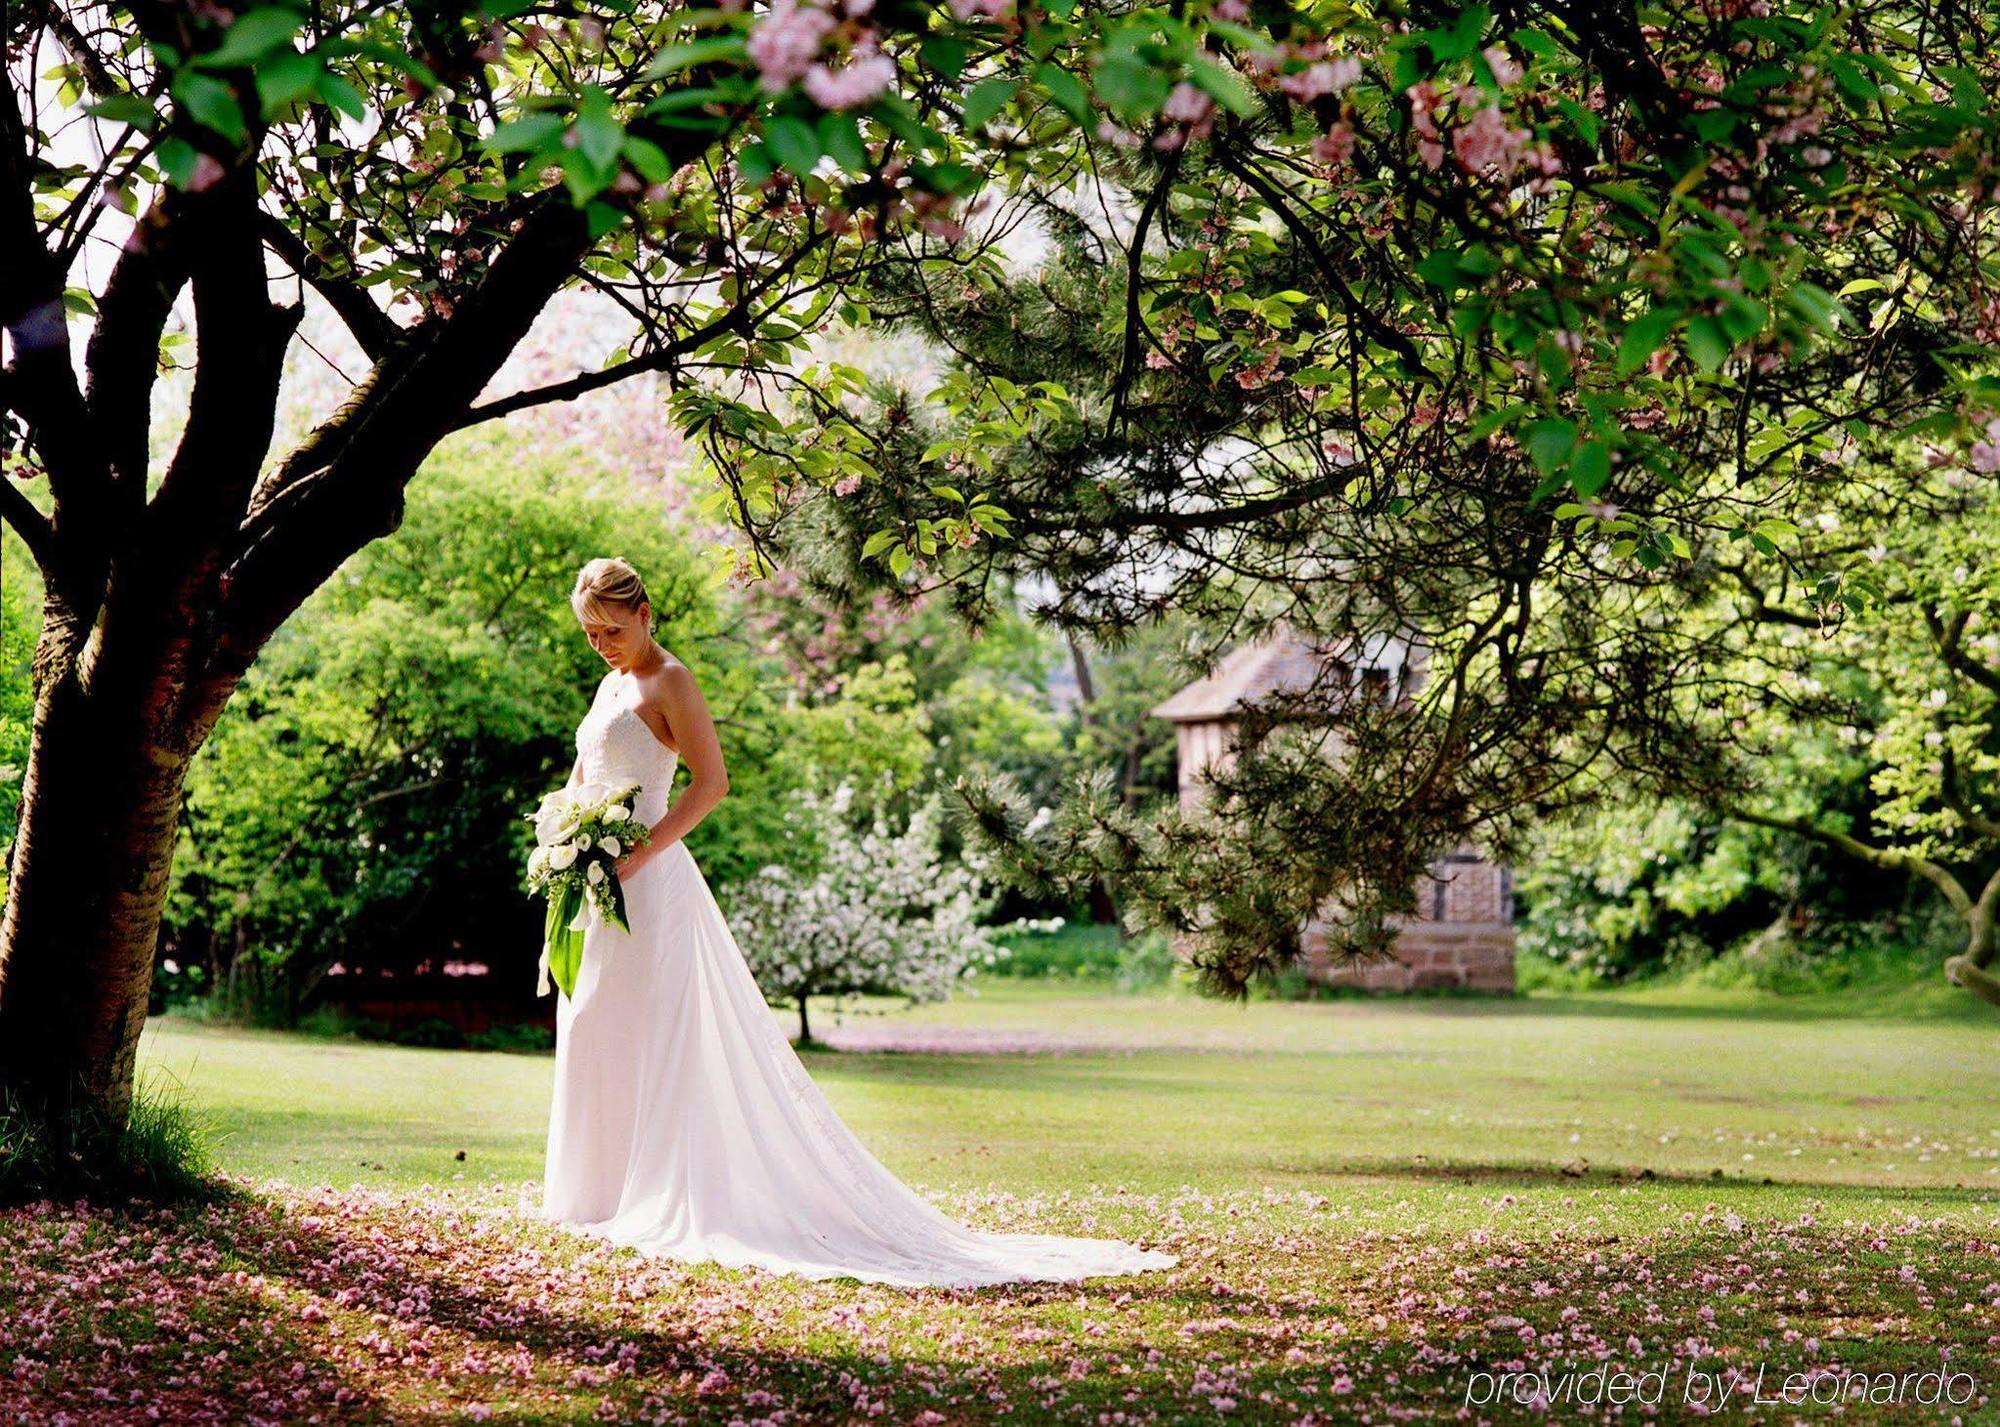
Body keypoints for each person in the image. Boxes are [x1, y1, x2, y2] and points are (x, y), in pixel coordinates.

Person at [538, 556, 1177, 1288]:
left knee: (658, 1033)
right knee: (594, 1022)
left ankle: (660, 1190)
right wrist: (562, 830)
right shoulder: (609, 683)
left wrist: (640, 851)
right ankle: (598, 1191)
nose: (602, 645)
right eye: (590, 634)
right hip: (597, 882)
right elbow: (584, 774)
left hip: (650, 881)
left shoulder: (671, 682)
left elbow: (712, 784)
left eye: (611, 630)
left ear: (645, 613)